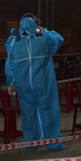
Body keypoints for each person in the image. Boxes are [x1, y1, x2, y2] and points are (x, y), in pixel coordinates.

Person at [5, 13, 65, 151]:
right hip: (44, 84)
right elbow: (58, 39)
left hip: (24, 85)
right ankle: (54, 143)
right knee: (49, 111)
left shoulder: (15, 45)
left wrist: (11, 83)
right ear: (34, 26)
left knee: (28, 114)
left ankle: (31, 144)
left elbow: (10, 65)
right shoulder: (43, 42)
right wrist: (42, 30)